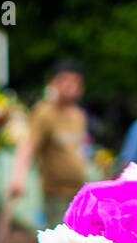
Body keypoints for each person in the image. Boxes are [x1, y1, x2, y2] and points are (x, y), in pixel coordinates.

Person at [10, 61, 89, 226]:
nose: (70, 85)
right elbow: (28, 145)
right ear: (52, 83)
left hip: (80, 191)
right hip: (56, 194)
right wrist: (18, 178)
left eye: (75, 81)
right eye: (64, 80)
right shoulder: (44, 112)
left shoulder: (78, 115)